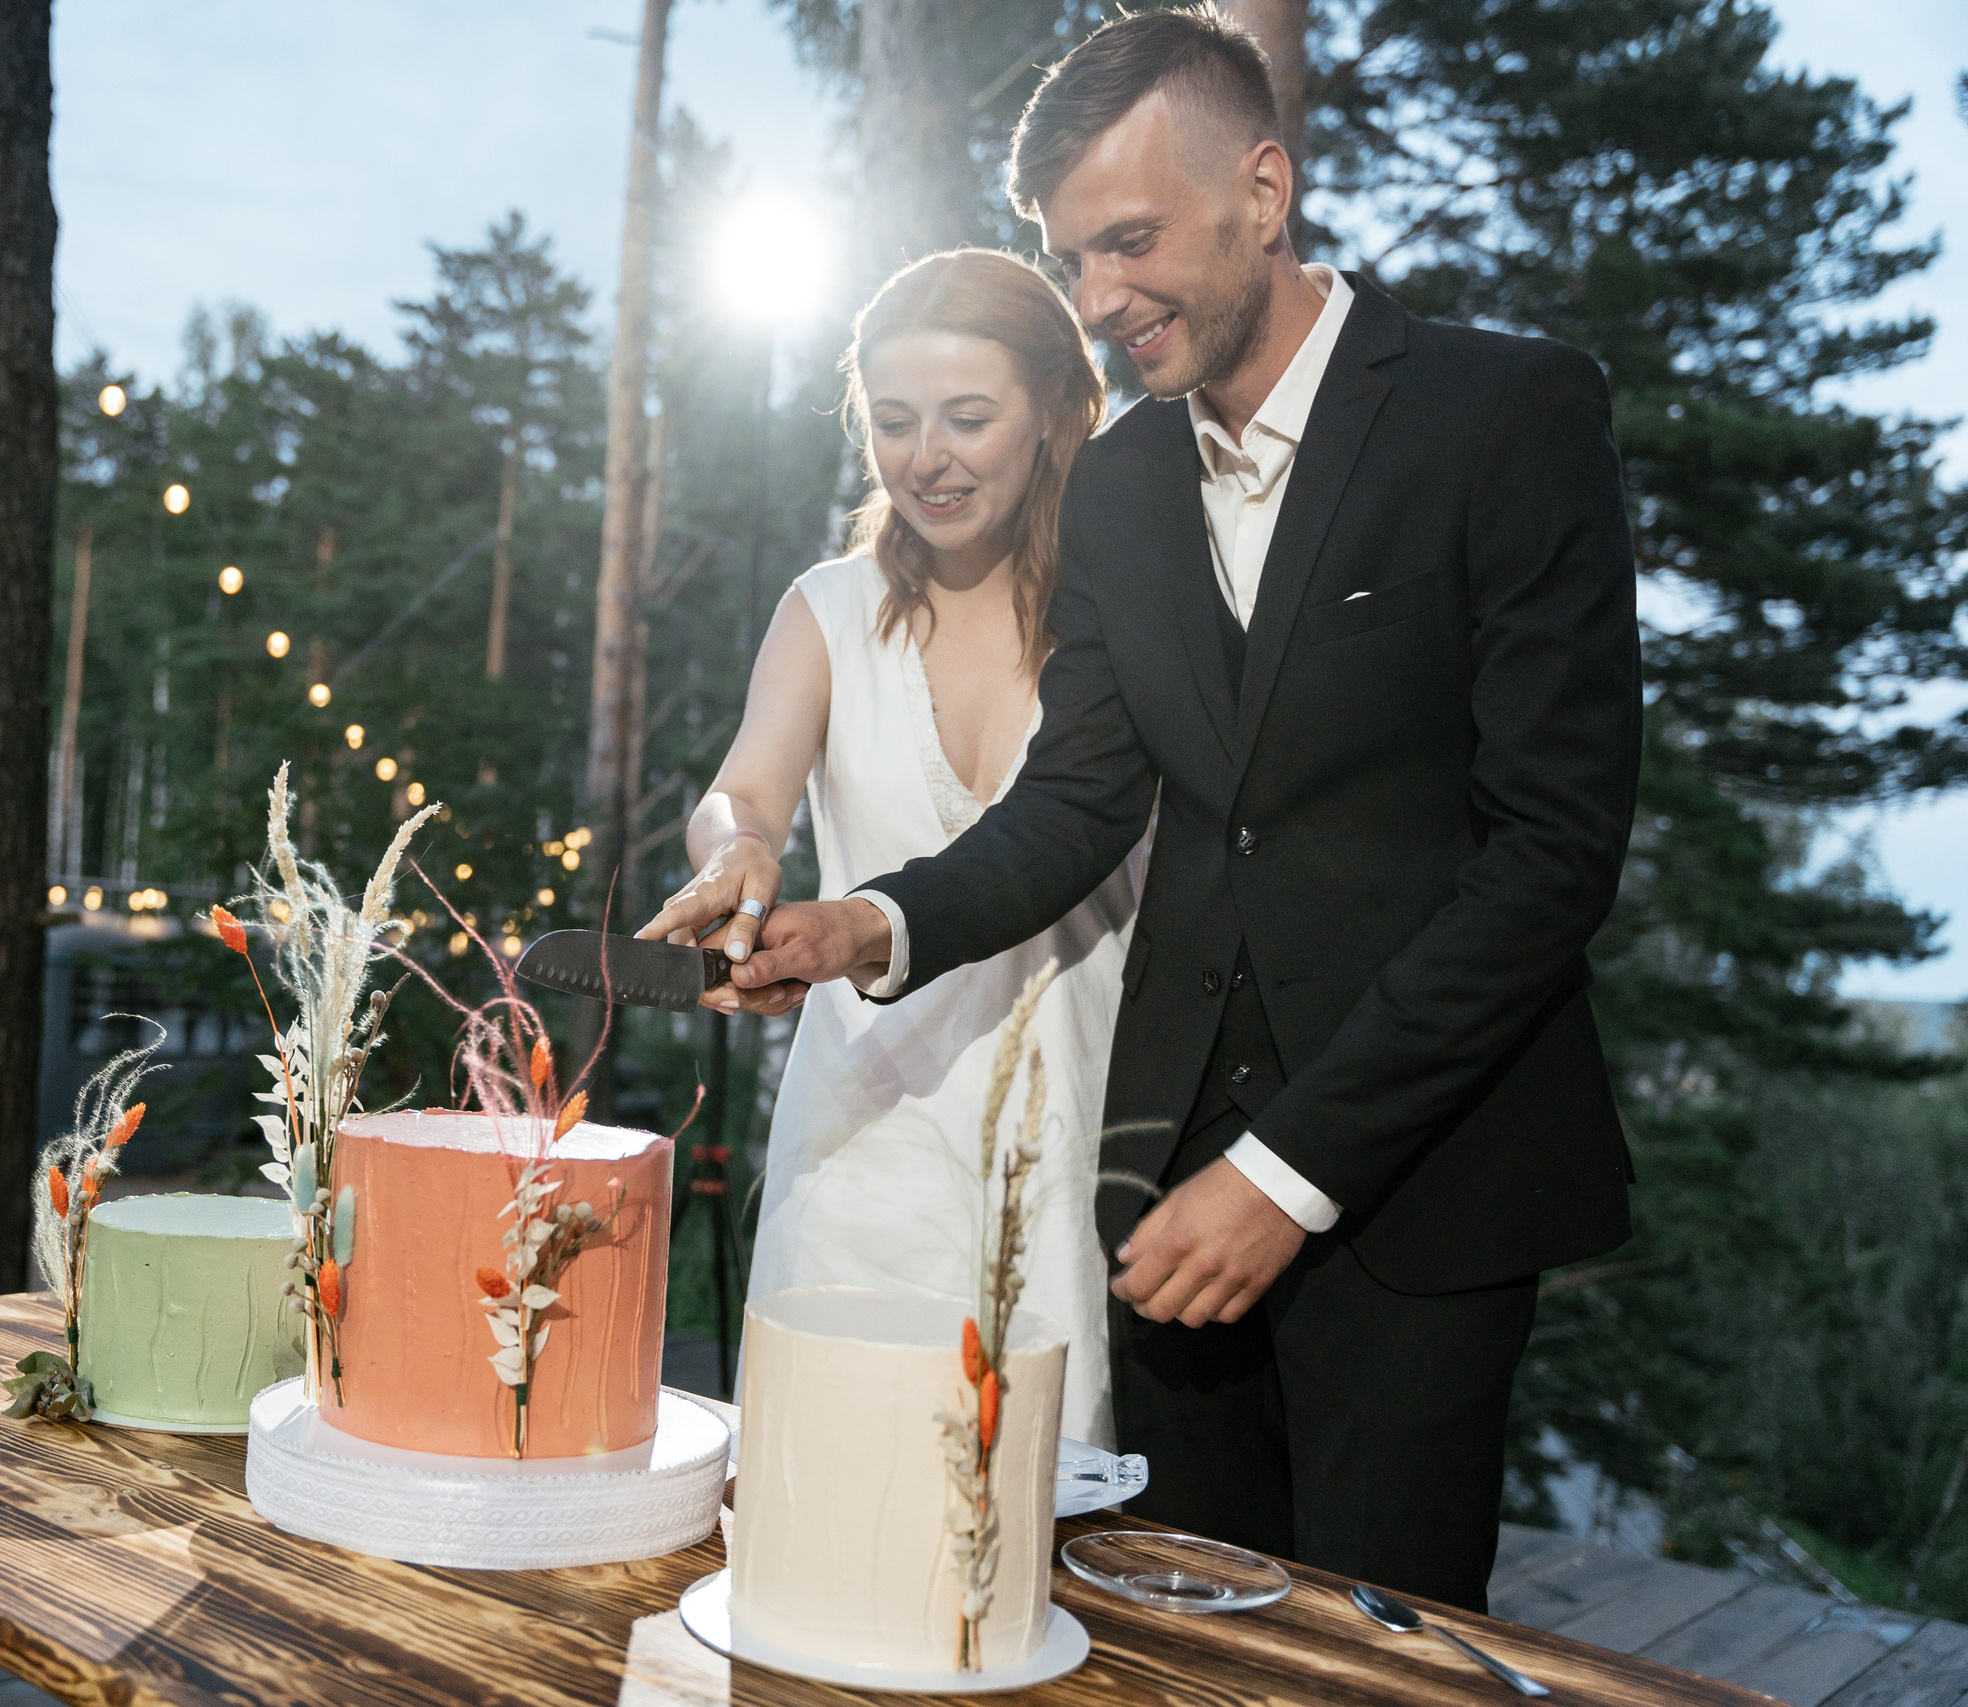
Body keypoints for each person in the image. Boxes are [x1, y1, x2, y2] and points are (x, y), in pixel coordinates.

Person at [728, 4, 1641, 1613]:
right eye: (1072, 258)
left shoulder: (1507, 412)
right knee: (1174, 1634)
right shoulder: (1125, 483)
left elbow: (1552, 859)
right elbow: (1078, 802)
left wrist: (1285, 1174)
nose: (1097, 301)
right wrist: (864, 924)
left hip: (1417, 1189)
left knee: (1371, 1648)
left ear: (1264, 191)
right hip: (1162, 1184)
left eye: (1131, 241)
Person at [637, 249, 1151, 1446]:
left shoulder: (1134, 606)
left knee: (1036, 1507)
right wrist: (735, 852)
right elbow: (741, 792)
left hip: (1075, 1138)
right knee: (830, 1485)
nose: (926, 458)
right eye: (894, 421)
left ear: (1056, 411)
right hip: (860, 1140)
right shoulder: (825, 606)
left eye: (967, 418)